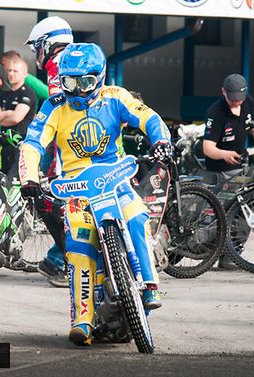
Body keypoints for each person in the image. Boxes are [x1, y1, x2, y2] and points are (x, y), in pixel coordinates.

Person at [18, 43, 172, 346]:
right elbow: (32, 143)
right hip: (75, 186)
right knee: (78, 243)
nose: (77, 91)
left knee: (138, 217)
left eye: (85, 83)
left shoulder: (116, 97)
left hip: (115, 178)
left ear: (100, 78)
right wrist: (29, 177)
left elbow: (149, 118)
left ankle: (150, 285)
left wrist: (161, 141)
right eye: (69, 83)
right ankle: (82, 321)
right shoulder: (53, 105)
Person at [23, 16, 75, 287]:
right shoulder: (76, 60)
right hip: (84, 145)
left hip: (68, 151)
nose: (36, 55)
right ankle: (58, 260)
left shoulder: (59, 64)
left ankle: (62, 261)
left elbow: (58, 111)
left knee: (65, 204)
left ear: (48, 44)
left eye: (36, 48)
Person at [202, 73, 254, 269]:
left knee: (243, 212)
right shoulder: (216, 112)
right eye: (233, 98)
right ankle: (209, 252)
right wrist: (224, 155)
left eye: (240, 98)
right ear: (223, 92)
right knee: (215, 214)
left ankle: (232, 254)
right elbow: (208, 148)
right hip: (218, 169)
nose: (237, 102)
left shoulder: (247, 103)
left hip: (240, 169)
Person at [0, 57, 37, 177]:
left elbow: (16, 118)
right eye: (9, 70)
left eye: (15, 71)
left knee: (14, 181)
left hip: (20, 145)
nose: (11, 74)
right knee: (1, 180)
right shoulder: (4, 93)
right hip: (3, 144)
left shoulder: (28, 93)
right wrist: (8, 113)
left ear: (25, 74)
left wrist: (2, 116)